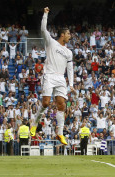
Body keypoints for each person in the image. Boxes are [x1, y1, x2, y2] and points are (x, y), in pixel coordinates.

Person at [30, 7, 74, 145]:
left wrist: (71, 84)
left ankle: (60, 133)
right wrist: (45, 14)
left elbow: (70, 68)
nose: (70, 35)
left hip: (61, 78)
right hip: (49, 75)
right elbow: (43, 29)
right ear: (62, 35)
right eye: (68, 34)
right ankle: (34, 123)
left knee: (62, 106)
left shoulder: (68, 52)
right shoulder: (51, 43)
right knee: (46, 103)